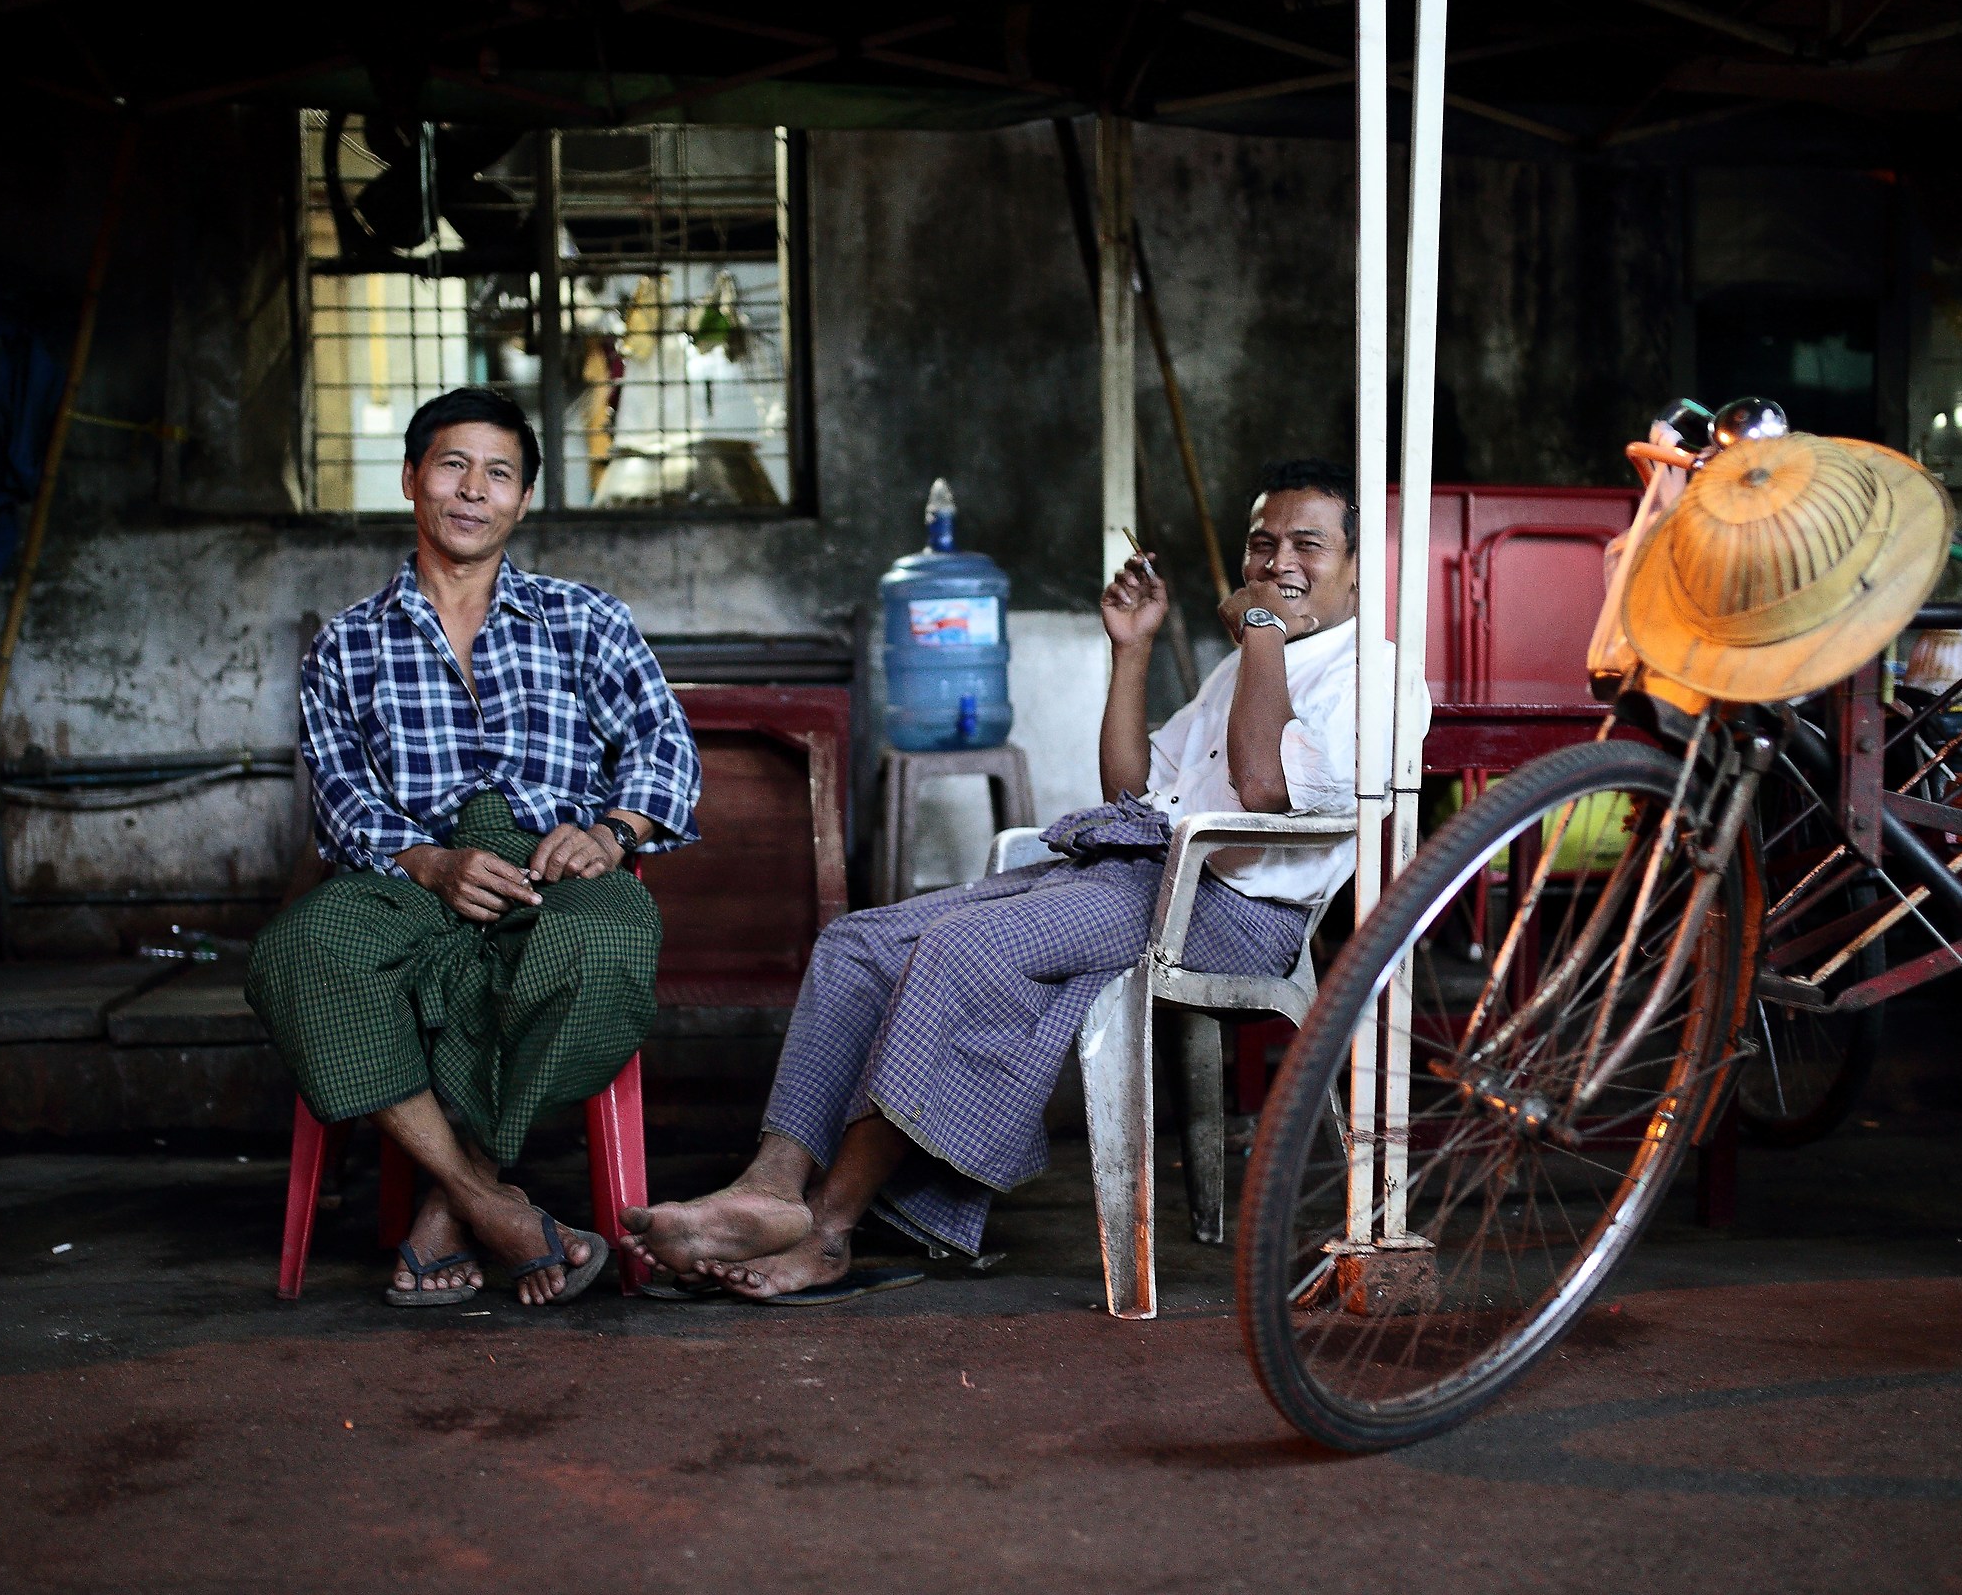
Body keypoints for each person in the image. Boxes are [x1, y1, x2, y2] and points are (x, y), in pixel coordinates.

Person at [621, 458, 1410, 1300]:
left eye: (1308, 546)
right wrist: (1132, 648)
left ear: (1359, 567)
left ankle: (828, 1229)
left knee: (962, 951)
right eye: (1262, 544)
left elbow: (1261, 789)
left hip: (1231, 912)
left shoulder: (1376, 676)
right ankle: (770, 1187)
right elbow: (1130, 791)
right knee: (856, 944)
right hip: (1141, 874)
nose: (1278, 562)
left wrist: (1257, 624)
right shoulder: (1246, 663)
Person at [247, 388, 700, 1308]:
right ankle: (494, 1208)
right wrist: (430, 863)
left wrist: (611, 833)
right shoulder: (347, 646)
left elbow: (668, 750)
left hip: (551, 867)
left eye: (498, 473)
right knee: (298, 952)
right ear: (411, 478)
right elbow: (340, 800)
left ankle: (454, 1204)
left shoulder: (585, 620)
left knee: (607, 941)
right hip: (409, 871)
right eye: (452, 465)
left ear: (523, 499)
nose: (472, 490)